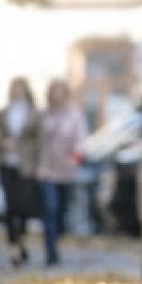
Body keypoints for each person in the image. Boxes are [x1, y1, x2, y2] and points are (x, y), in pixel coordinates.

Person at [34, 79, 87, 266]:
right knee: (50, 209)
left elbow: (81, 139)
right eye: (53, 92)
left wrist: (77, 156)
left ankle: (57, 236)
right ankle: (51, 251)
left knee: (62, 212)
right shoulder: (42, 116)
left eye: (60, 92)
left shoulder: (74, 115)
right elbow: (33, 140)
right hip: (46, 170)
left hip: (67, 171)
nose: (56, 96)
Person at [0, 77, 39, 267]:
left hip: (25, 165)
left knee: (24, 206)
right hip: (6, 164)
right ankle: (13, 246)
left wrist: (25, 147)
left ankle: (21, 240)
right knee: (10, 207)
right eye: (14, 88)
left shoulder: (33, 114)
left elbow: (39, 139)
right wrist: (2, 143)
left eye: (20, 88)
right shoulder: (3, 113)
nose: (17, 92)